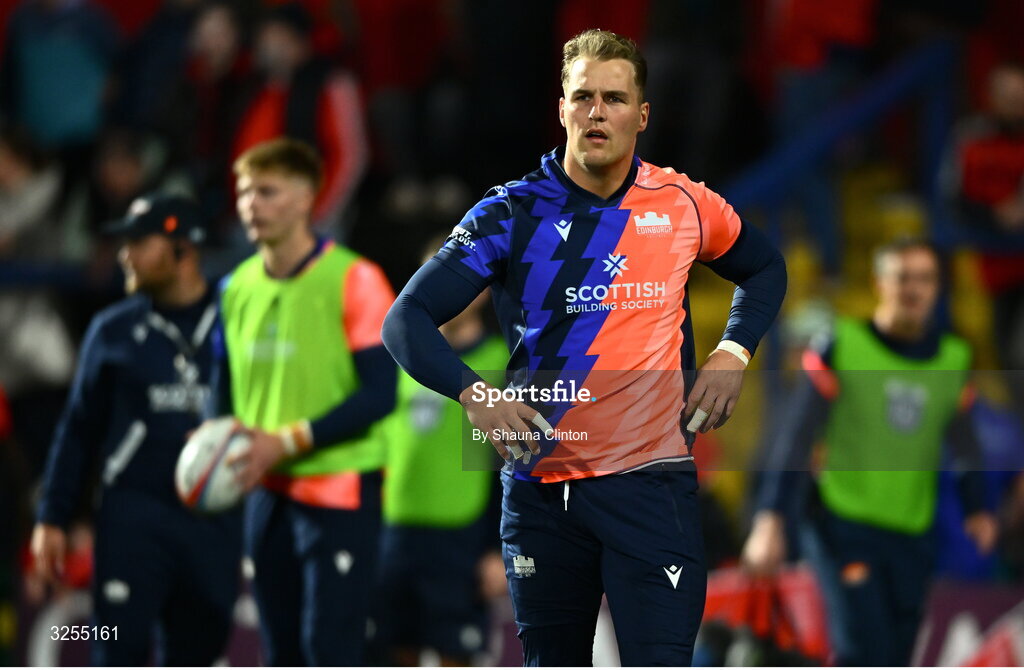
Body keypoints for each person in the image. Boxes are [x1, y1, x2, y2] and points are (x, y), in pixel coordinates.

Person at [382, 29, 787, 666]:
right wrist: (474, 393)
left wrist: (733, 351)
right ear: (562, 107)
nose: (598, 111)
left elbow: (765, 268)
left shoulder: (683, 202)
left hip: (650, 487)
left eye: (615, 98)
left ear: (642, 114)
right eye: (584, 96)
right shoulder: (509, 214)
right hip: (542, 492)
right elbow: (404, 319)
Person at [742, 237, 1000, 666]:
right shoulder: (841, 345)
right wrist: (770, 518)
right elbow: (797, 436)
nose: (913, 290)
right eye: (903, 278)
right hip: (843, 527)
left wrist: (977, 507)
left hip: (912, 531)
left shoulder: (954, 359)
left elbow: (966, 444)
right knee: (865, 652)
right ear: (880, 283)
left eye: (925, 279)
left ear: (937, 288)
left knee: (897, 656)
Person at [31, 193, 242, 666]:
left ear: (183, 249)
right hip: (132, 518)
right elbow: (78, 429)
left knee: (200, 654)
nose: (124, 254)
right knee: (115, 651)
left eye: (139, 242)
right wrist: (52, 516)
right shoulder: (112, 330)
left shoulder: (237, 322)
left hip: (214, 523)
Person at [210, 137, 396, 665]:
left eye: (266, 191)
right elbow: (221, 390)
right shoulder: (234, 287)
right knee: (281, 653)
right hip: (264, 492)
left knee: (330, 650)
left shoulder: (356, 279)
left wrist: (285, 441)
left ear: (305, 197)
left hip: (337, 489)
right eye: (244, 191)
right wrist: (212, 442)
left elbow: (381, 394)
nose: (250, 204)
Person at [372, 238, 508, 666]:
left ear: (481, 288)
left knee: (456, 655)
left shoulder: (501, 361)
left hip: (461, 539)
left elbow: (504, 463)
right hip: (394, 534)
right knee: (393, 652)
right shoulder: (397, 356)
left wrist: (496, 546)